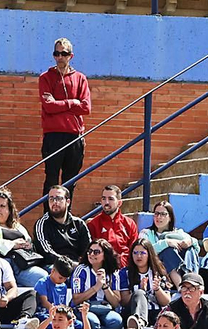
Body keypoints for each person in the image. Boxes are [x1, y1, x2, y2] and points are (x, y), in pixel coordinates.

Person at [39, 38, 91, 197]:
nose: (60, 57)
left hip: (74, 136)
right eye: (56, 53)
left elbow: (86, 108)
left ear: (71, 56)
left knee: (70, 181)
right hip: (53, 136)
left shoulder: (80, 78)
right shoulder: (46, 77)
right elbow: (48, 106)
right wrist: (71, 103)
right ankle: (48, 216)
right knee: (51, 180)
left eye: (64, 53)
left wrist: (59, 105)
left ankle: (66, 216)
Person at [88, 184, 143, 271]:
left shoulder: (129, 223)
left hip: (126, 269)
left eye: (110, 199)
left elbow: (134, 249)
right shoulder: (93, 224)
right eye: (103, 198)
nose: (106, 202)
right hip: (103, 270)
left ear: (119, 203)